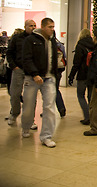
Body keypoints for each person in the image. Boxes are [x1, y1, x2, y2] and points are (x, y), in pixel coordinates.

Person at [21, 18, 59, 147]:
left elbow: (54, 58)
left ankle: (46, 136)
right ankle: (26, 126)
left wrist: (55, 73)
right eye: (50, 27)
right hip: (32, 78)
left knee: (49, 107)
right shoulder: (30, 40)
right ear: (43, 27)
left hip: (49, 78)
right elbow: (26, 59)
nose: (52, 29)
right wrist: (34, 74)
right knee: (28, 105)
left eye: (53, 27)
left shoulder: (52, 40)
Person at [6, 20, 37, 128]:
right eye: (30, 26)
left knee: (31, 97)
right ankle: (14, 113)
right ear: (25, 27)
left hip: (31, 71)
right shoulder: (17, 38)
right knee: (14, 94)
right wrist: (13, 66)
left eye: (34, 26)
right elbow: (9, 52)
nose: (32, 27)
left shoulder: (37, 39)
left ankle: (30, 120)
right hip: (18, 69)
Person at [68, 28, 94, 125]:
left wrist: (71, 76)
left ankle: (87, 117)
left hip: (82, 74)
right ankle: (93, 117)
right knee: (91, 96)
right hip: (92, 75)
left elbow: (77, 63)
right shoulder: (94, 45)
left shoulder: (80, 45)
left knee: (80, 95)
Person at [54, 32, 67, 118]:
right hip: (59, 69)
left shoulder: (48, 44)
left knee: (49, 90)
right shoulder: (60, 45)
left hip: (51, 70)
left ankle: (48, 110)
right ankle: (61, 107)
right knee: (55, 89)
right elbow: (64, 57)